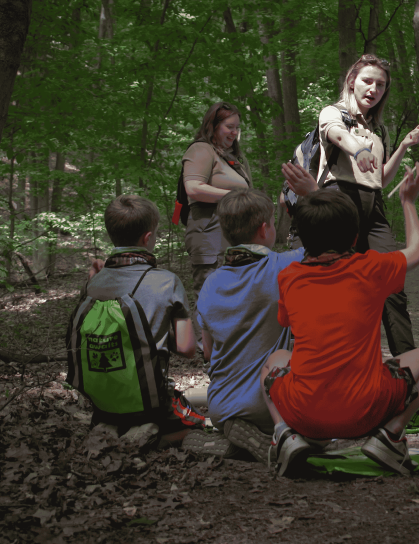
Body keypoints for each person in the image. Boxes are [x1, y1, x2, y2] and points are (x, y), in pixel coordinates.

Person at [258, 166, 419, 477]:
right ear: (356, 237)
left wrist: (311, 195)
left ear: (301, 237)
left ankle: (284, 435)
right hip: (365, 413)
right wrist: (408, 201)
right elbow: (417, 252)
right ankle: (391, 436)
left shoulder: (289, 277)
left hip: (304, 413)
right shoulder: (370, 268)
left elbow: (285, 321)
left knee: (273, 360)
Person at [315, 54, 419, 357]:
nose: (373, 89)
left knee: (391, 282)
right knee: (340, 285)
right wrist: (357, 150)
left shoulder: (380, 130)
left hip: (373, 208)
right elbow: (336, 135)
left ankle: (408, 365)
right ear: (352, 81)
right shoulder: (332, 112)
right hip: (338, 203)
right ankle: (338, 363)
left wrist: (404, 145)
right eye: (367, 81)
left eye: (381, 85)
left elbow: (380, 178)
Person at [74, 195, 198, 444]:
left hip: (102, 403)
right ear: (148, 238)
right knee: (197, 424)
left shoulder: (94, 281)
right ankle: (151, 434)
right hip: (148, 400)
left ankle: (111, 425)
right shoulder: (167, 281)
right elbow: (187, 349)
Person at [193, 188, 305, 464]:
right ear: (265, 228)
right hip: (272, 404)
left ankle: (234, 435)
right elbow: (330, 241)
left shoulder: (210, 283)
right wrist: (309, 196)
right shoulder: (284, 266)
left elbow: (208, 352)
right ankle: (277, 438)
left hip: (221, 404)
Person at [181, 102, 252, 291]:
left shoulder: (235, 158)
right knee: (211, 293)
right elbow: (194, 188)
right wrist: (237, 197)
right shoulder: (201, 150)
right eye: (229, 127)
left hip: (235, 235)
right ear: (212, 126)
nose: (234, 132)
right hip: (210, 234)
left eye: (237, 128)